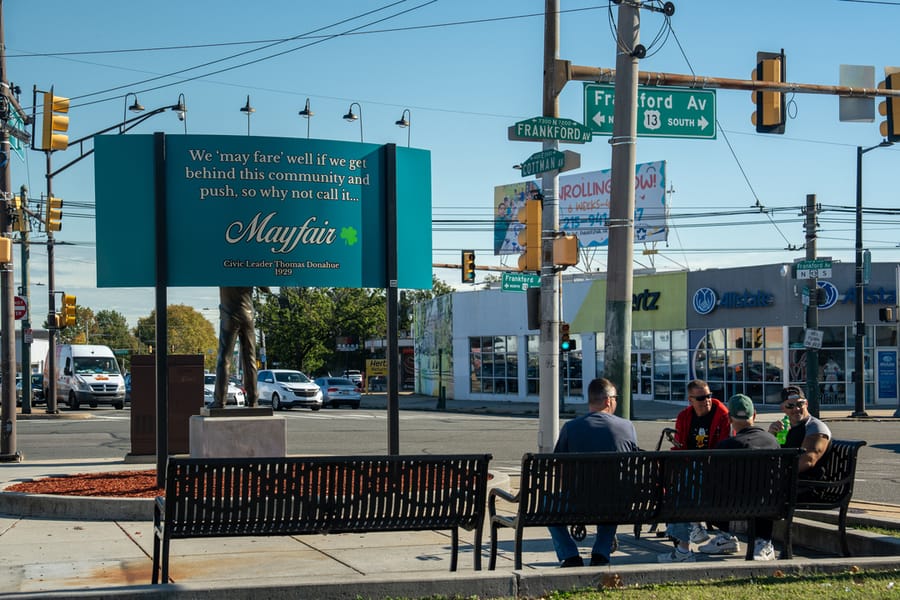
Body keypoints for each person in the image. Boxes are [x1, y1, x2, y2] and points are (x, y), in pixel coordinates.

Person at [548, 377, 638, 568]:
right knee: (613, 491)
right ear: (608, 401)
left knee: (546, 504)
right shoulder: (626, 427)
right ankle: (601, 552)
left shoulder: (571, 428)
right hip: (617, 504)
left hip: (577, 502)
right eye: (616, 398)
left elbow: (559, 466)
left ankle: (570, 555)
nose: (616, 402)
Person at [698, 394, 780, 561]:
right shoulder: (772, 441)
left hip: (732, 505)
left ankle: (725, 536)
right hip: (770, 503)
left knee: (711, 486)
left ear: (729, 418)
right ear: (754, 415)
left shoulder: (727, 446)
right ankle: (764, 541)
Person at [659, 379, 731, 562]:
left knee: (682, 491)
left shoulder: (722, 415)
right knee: (676, 482)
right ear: (690, 400)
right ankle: (692, 526)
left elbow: (723, 448)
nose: (706, 400)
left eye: (708, 396)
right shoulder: (684, 416)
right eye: (700, 398)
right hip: (690, 468)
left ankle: (685, 544)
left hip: (714, 469)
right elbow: (680, 447)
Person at [213, 286, 271, 408]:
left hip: (229, 316)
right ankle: (253, 400)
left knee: (224, 359)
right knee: (250, 358)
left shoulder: (221, 273)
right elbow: (266, 289)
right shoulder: (249, 273)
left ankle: (220, 400)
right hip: (247, 315)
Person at [768, 385, 832, 490]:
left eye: (800, 404)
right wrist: (771, 435)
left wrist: (775, 474)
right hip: (788, 481)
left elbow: (808, 460)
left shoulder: (815, 427)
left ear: (806, 404)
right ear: (783, 408)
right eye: (790, 406)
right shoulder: (783, 427)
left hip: (807, 485)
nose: (796, 409)